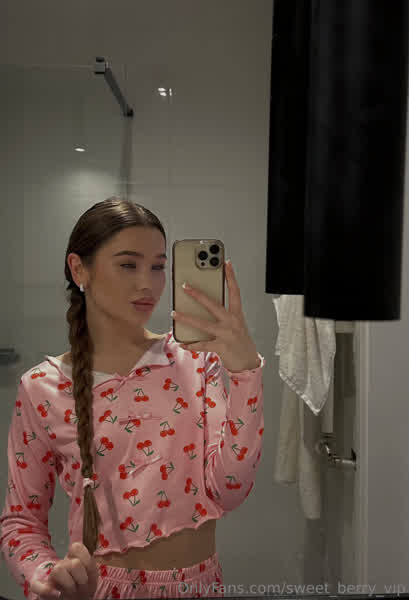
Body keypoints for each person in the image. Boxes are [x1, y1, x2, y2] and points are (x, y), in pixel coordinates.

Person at [0, 197, 265, 599]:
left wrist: (246, 373)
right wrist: (46, 576)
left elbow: (230, 489)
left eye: (158, 267)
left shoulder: (196, 360)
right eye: (129, 265)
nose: (148, 283)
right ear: (79, 269)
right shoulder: (41, 387)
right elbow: (21, 522)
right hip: (98, 592)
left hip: (199, 588)